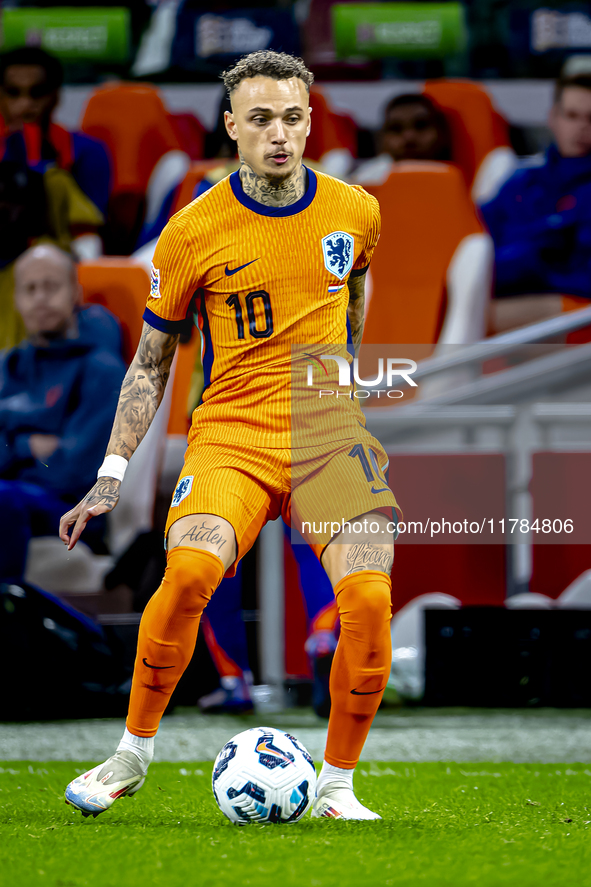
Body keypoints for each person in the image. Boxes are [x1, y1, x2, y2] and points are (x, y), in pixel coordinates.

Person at [61, 50, 397, 822]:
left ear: (310, 121)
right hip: (230, 437)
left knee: (370, 597)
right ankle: (131, 754)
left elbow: (353, 289)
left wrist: (340, 384)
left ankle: (338, 787)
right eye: (259, 120)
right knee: (186, 576)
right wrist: (112, 471)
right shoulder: (191, 231)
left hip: (325, 433)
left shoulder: (356, 209)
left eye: (291, 117)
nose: (277, 134)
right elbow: (150, 363)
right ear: (230, 127)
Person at [0, 244, 125, 582]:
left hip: (72, 508)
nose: (40, 297)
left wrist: (11, 441)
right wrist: (31, 446)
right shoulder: (7, 367)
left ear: (75, 292)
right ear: (16, 300)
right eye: (30, 288)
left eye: (51, 286)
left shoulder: (104, 372)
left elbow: (73, 469)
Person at [481, 74, 591, 333]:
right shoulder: (521, 181)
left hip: (577, 307)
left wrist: (532, 262)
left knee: (474, 320)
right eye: (572, 116)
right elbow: (475, 233)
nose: (581, 127)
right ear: (553, 118)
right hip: (509, 291)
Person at [0, 46, 111, 257]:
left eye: (37, 93)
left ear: (55, 96)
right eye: (13, 93)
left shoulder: (89, 153)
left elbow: (90, 236)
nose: (25, 105)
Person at [352, 93, 450, 186]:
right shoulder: (363, 184)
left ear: (442, 132)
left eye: (421, 125)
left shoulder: (462, 185)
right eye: (396, 128)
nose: (409, 137)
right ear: (381, 140)